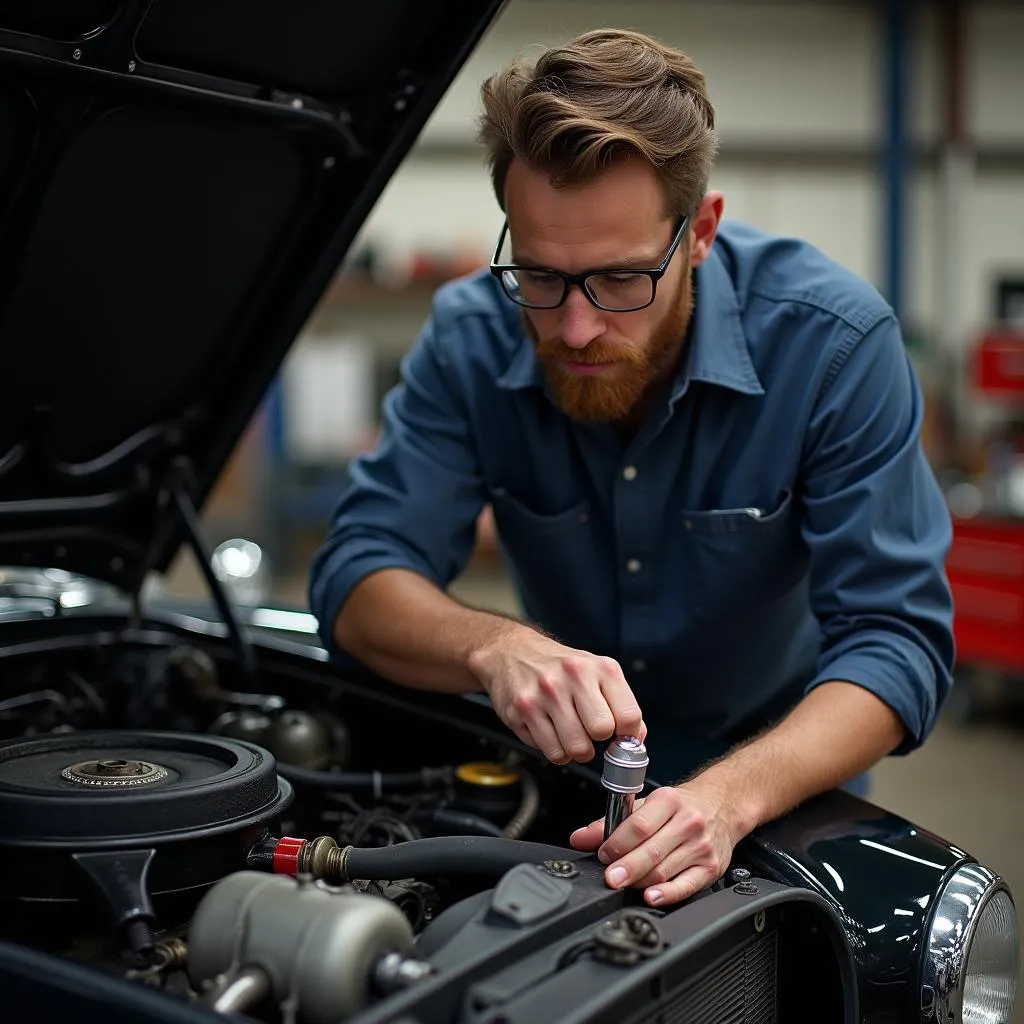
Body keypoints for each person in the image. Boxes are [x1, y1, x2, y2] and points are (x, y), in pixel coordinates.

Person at [308, 28, 954, 909]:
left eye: (619, 281)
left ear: (700, 233)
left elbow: (896, 639)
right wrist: (497, 648)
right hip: (562, 803)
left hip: (775, 804)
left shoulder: (833, 347)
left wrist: (727, 799)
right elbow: (356, 577)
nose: (575, 330)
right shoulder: (468, 336)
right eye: (540, 276)